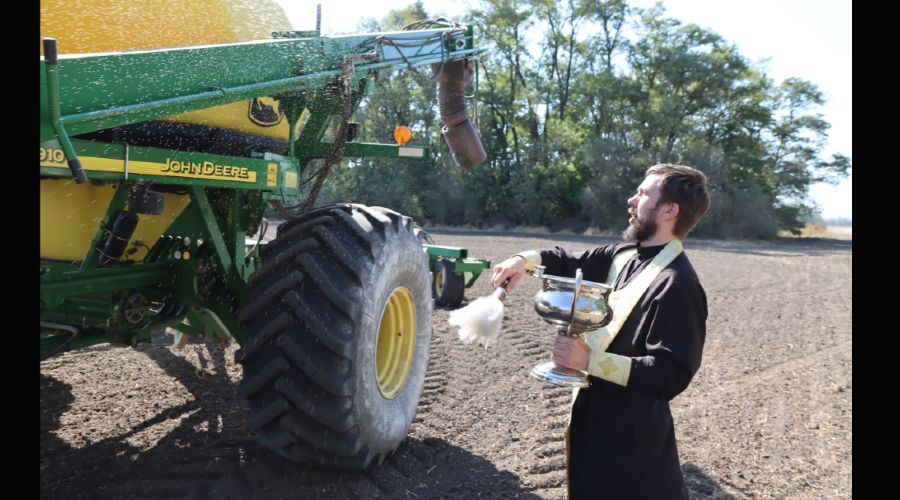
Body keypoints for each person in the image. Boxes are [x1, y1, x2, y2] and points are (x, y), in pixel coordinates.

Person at [491, 163, 711, 499]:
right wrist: (524, 260)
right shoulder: (623, 256)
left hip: (633, 447)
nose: (631, 200)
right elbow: (567, 261)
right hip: (592, 422)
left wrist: (590, 360)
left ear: (670, 210)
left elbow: (671, 373)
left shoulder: (678, 284)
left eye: (642, 194)